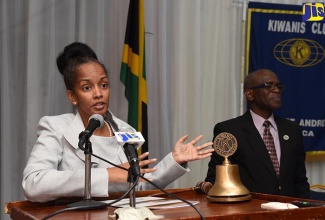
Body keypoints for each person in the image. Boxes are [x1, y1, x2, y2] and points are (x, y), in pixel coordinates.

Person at [22, 42, 214, 203]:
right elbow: (33, 183)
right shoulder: (55, 127)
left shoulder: (124, 129)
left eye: (103, 85)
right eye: (87, 87)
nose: (98, 93)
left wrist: (173, 160)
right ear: (72, 96)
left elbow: (137, 186)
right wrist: (107, 175)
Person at [205, 68, 310, 198]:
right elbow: (215, 179)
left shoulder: (292, 130)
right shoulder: (229, 130)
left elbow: (299, 180)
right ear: (250, 94)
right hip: (249, 212)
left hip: (289, 211)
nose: (276, 90)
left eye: (278, 86)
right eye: (268, 86)